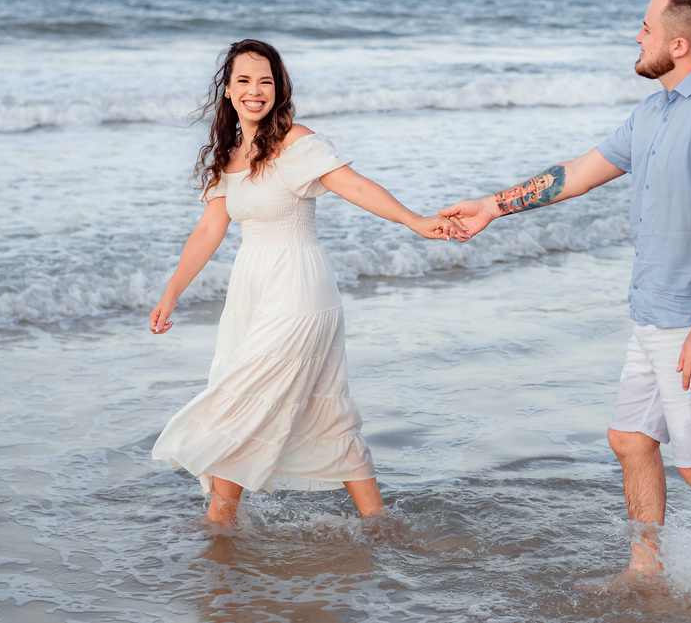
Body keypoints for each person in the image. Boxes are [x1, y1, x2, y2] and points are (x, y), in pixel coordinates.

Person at [440, 0, 691, 608]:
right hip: (654, 315)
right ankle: (646, 568)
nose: (638, 36)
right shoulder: (654, 112)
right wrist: (493, 207)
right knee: (631, 439)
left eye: (646, 27)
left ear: (678, 44)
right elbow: (577, 175)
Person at [149, 39, 459, 525]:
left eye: (266, 81)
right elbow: (210, 229)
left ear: (279, 89)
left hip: (299, 287)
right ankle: (378, 523)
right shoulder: (227, 154)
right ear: (227, 90)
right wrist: (171, 293)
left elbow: (354, 185)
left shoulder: (294, 141)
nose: (256, 91)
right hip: (251, 290)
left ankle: (219, 518)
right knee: (319, 405)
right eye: (244, 81)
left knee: (244, 394)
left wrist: (413, 220)